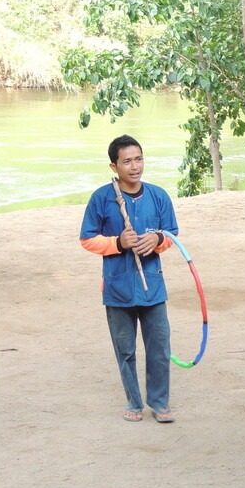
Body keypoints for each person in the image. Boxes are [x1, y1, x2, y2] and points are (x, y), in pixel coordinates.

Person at [79, 135, 179, 423]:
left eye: (139, 159)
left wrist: (158, 238)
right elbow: (87, 239)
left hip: (153, 284)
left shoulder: (158, 196)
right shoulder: (102, 198)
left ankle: (159, 403)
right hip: (117, 287)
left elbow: (172, 233)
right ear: (114, 166)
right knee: (125, 350)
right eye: (127, 161)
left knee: (160, 346)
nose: (135, 167)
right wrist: (118, 242)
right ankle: (134, 404)